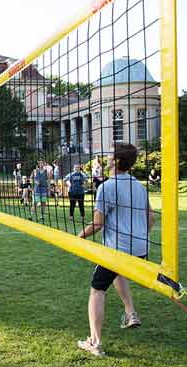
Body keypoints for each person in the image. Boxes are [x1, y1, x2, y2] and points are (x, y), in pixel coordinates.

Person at [77, 143, 154, 357]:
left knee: (97, 290)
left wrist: (78, 238)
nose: (107, 158)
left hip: (117, 249)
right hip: (140, 248)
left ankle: (94, 342)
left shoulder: (107, 186)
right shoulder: (139, 186)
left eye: (110, 155)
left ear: (116, 161)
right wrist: (138, 234)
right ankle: (130, 313)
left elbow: (98, 224)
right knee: (117, 272)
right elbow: (151, 217)